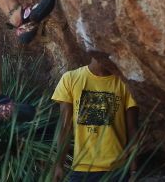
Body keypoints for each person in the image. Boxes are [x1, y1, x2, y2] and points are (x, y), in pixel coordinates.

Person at [51, 54, 140, 182]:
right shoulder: (70, 79)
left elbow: (133, 129)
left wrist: (133, 170)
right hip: (82, 169)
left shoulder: (125, 83)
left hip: (117, 170)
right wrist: (58, 165)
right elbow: (65, 127)